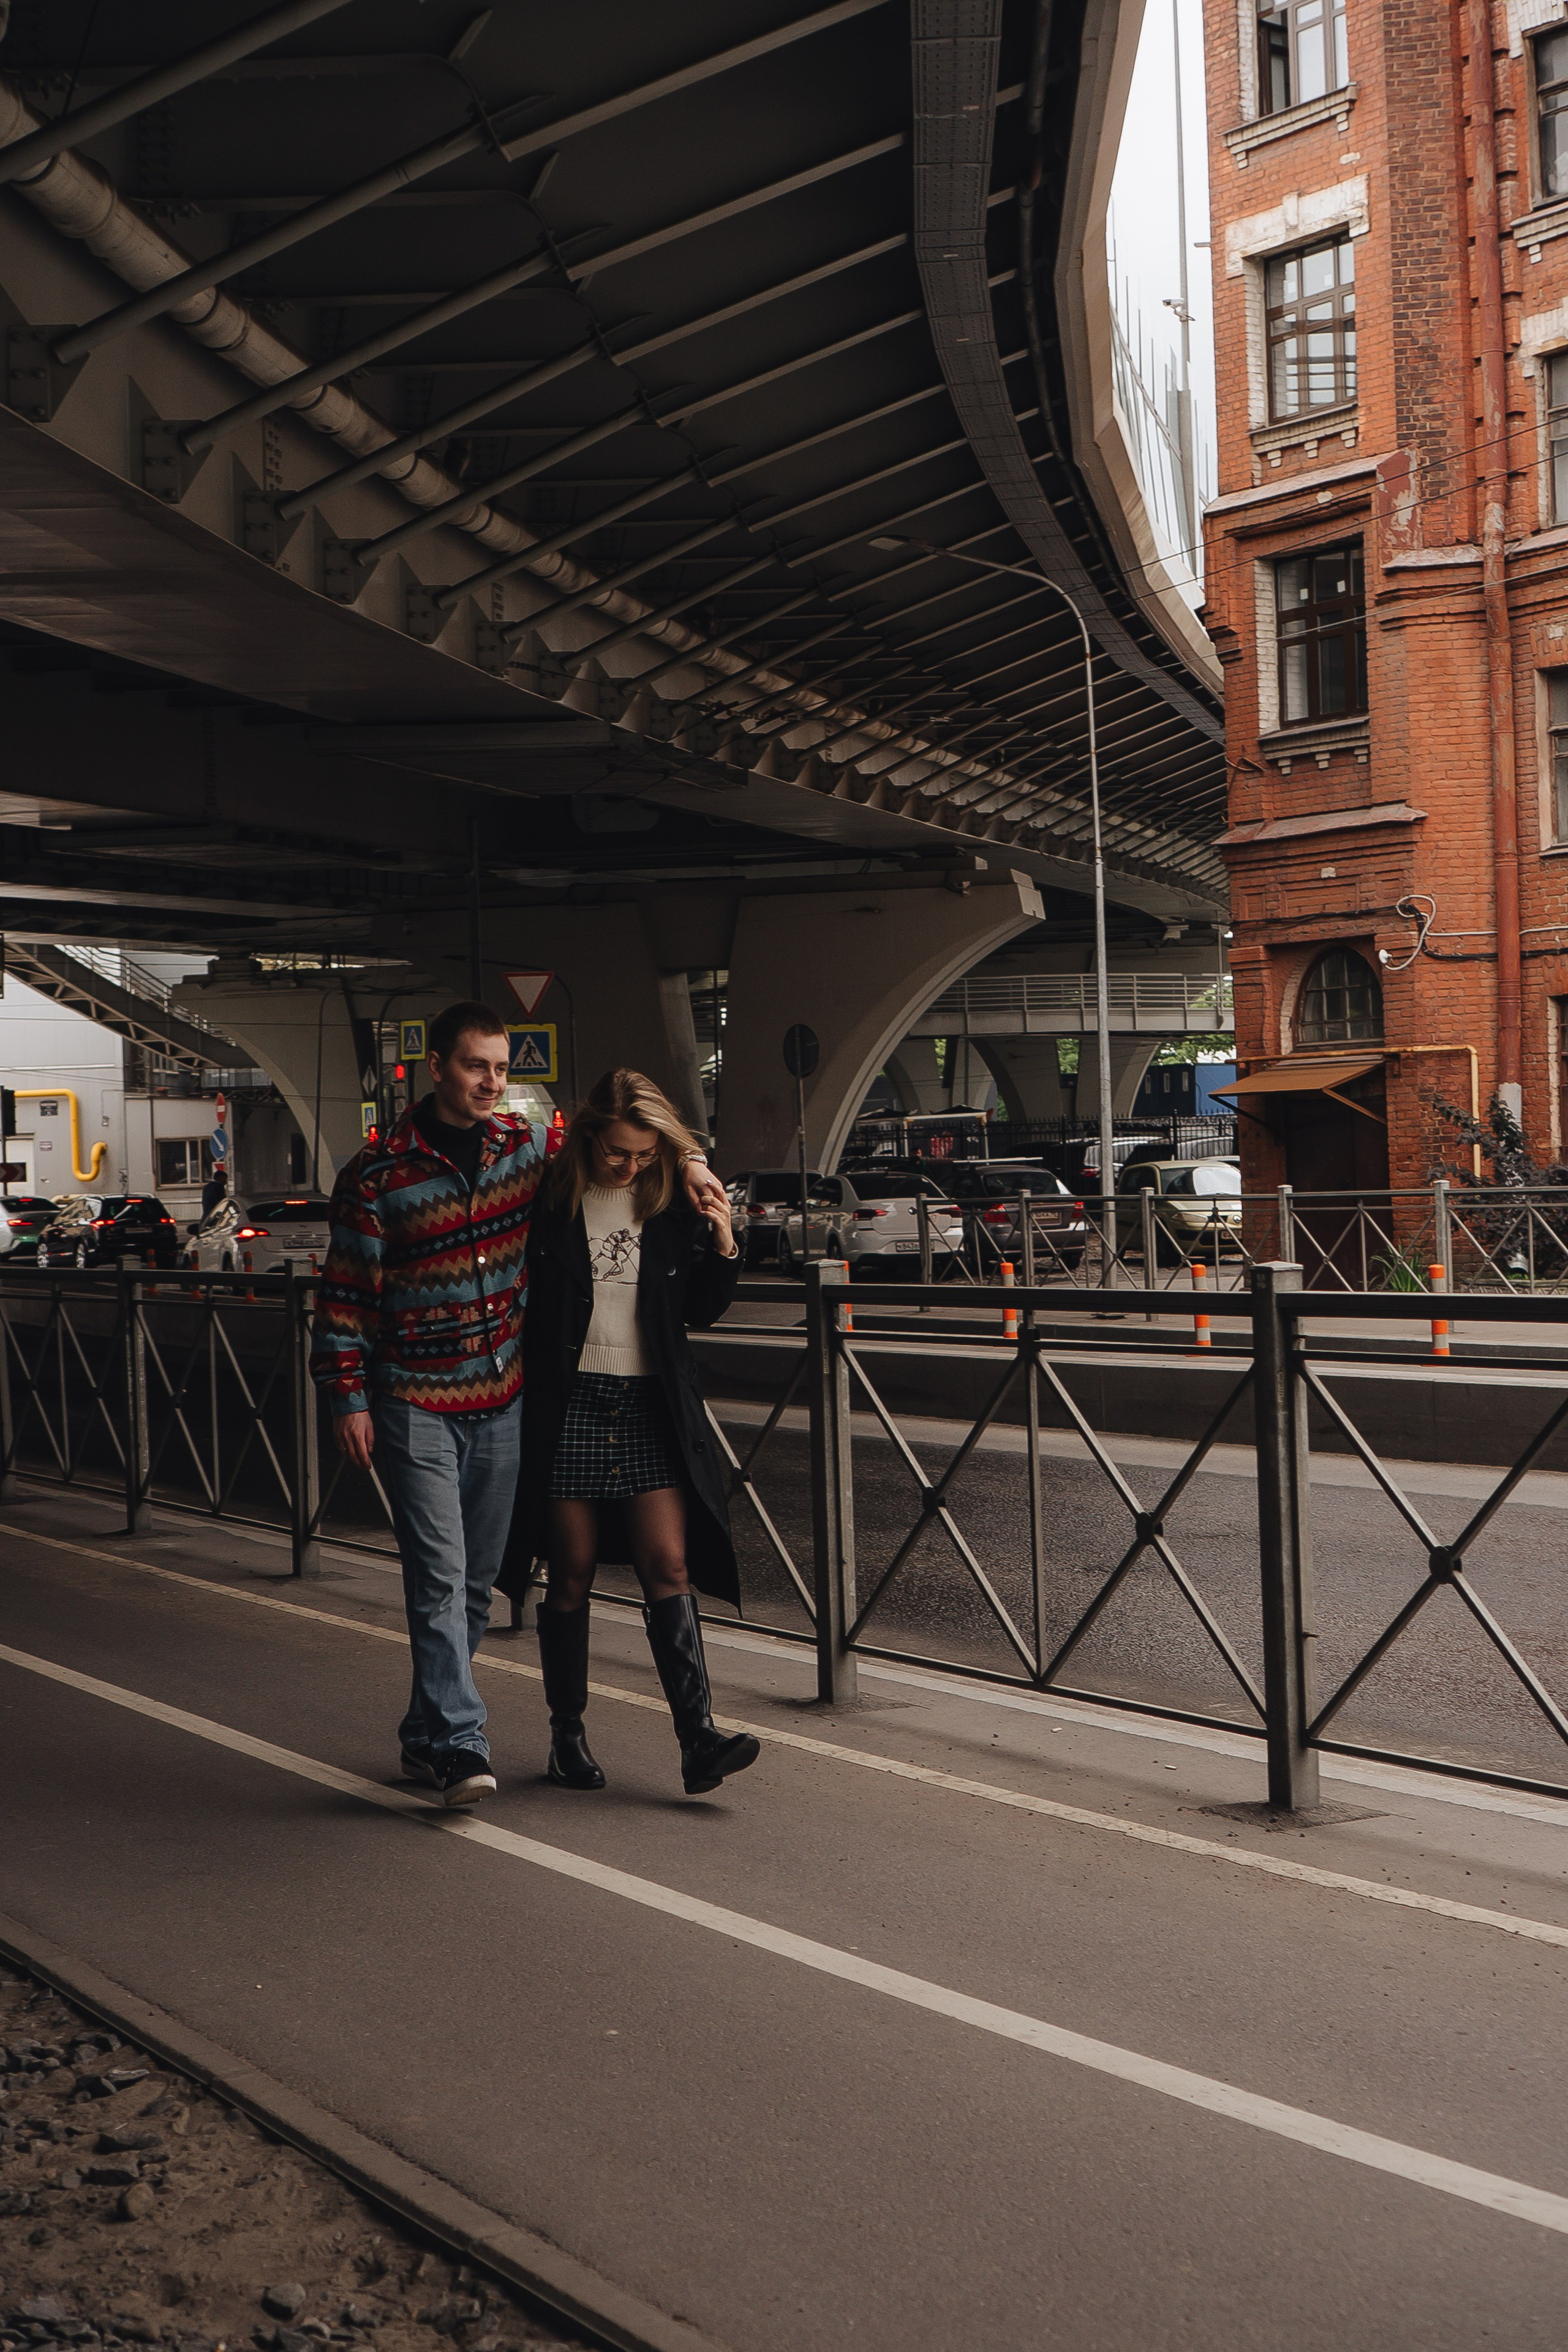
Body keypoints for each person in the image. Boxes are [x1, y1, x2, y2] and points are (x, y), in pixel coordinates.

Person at [309, 1003, 724, 1808]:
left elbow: (623, 1127)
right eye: (475, 1066)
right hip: (414, 1401)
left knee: (474, 1585)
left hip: (500, 1399)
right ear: (436, 1068)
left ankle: (424, 1733)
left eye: (502, 1068)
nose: (492, 1082)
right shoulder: (376, 1174)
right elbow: (345, 1301)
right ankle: (462, 1744)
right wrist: (347, 1398)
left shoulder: (525, 1150)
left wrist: (695, 1159)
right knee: (438, 1576)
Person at [501, 1068, 758, 1798]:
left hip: (649, 1405)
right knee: (572, 1568)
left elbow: (701, 1309)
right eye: (618, 1152)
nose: (630, 1166)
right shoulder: (552, 1199)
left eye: (645, 1154)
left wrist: (725, 1237)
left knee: (669, 1566)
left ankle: (697, 1739)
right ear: (589, 1138)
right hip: (571, 1400)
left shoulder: (672, 1197)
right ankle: (567, 1737)